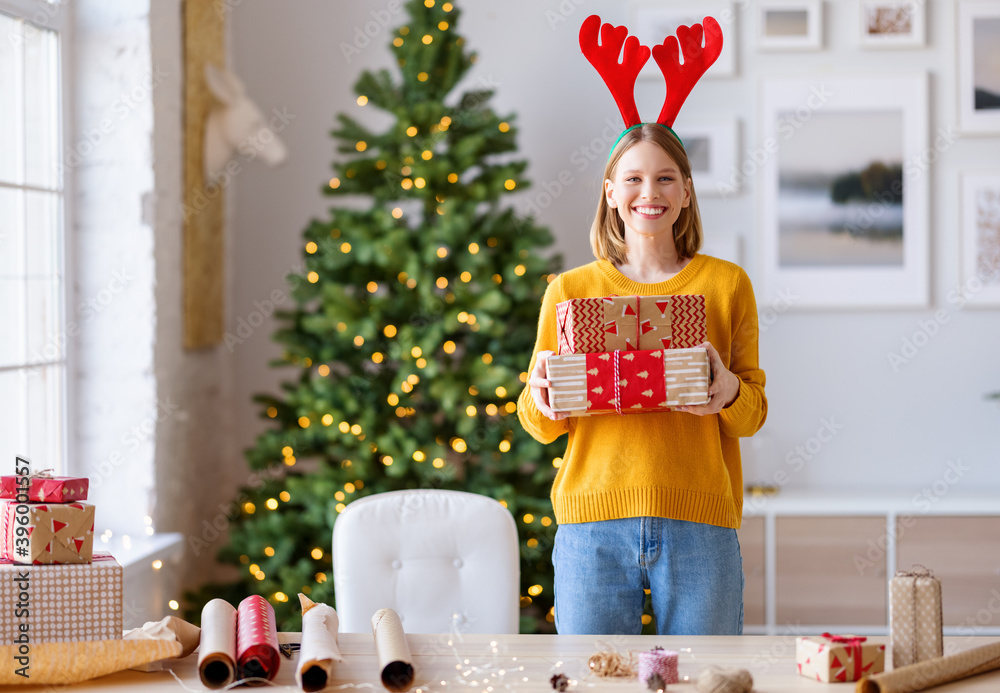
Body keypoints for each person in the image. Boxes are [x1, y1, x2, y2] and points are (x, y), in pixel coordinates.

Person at [516, 122, 767, 636]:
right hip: (592, 525)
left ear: (687, 190)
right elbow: (539, 425)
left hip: (700, 523)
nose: (649, 193)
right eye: (632, 179)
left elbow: (752, 415)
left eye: (666, 178)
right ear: (610, 192)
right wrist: (542, 398)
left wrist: (729, 393)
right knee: (593, 681)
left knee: (706, 683)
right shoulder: (570, 290)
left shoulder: (727, 285)